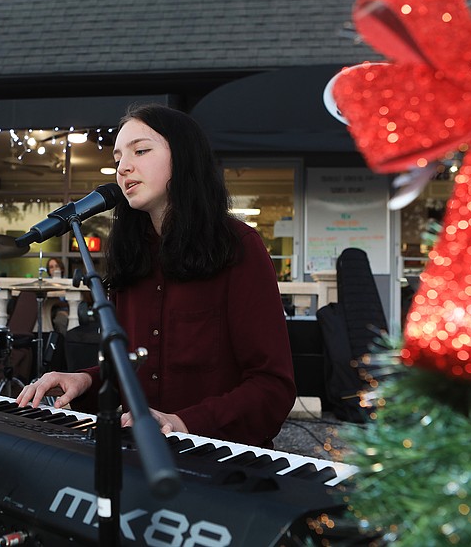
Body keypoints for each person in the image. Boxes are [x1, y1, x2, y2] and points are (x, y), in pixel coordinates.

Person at [17, 104, 296, 447]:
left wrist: (183, 421)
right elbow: (132, 372)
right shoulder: (131, 256)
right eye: (118, 158)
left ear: (183, 156)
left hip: (223, 462)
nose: (123, 168)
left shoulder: (239, 248)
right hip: (140, 454)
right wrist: (85, 381)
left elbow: (272, 388)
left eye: (141, 150)